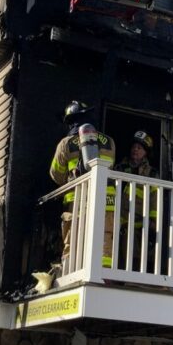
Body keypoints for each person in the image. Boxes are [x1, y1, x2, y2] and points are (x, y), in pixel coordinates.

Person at [49, 102, 116, 270]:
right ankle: (104, 277)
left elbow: (56, 175)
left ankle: (71, 273)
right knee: (104, 241)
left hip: (76, 202)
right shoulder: (109, 142)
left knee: (73, 242)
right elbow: (111, 165)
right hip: (105, 201)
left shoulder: (66, 143)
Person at [117, 131, 158, 270]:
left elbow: (155, 200)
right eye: (134, 146)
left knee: (138, 263)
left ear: (146, 152)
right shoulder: (120, 168)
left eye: (139, 148)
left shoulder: (152, 174)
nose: (135, 149)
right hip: (119, 225)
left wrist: (153, 224)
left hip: (141, 228)